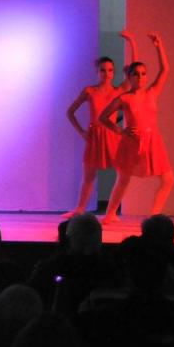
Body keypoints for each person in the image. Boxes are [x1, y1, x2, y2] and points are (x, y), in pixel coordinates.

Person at [99, 32, 174, 222]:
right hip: (132, 142)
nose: (140, 77)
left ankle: (154, 216)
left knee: (168, 179)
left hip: (152, 141)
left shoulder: (152, 92)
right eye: (136, 74)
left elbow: (165, 69)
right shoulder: (124, 98)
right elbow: (103, 117)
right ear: (130, 77)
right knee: (123, 179)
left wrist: (159, 45)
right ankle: (110, 214)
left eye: (143, 74)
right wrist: (120, 131)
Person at [64, 33, 136, 217]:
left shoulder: (118, 91)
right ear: (97, 72)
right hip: (95, 136)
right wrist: (82, 132)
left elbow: (133, 71)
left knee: (124, 174)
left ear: (114, 72)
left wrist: (131, 42)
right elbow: (70, 112)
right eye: (103, 70)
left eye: (110, 70)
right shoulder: (90, 91)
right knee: (89, 176)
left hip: (113, 135)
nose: (107, 74)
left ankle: (111, 212)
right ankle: (80, 209)